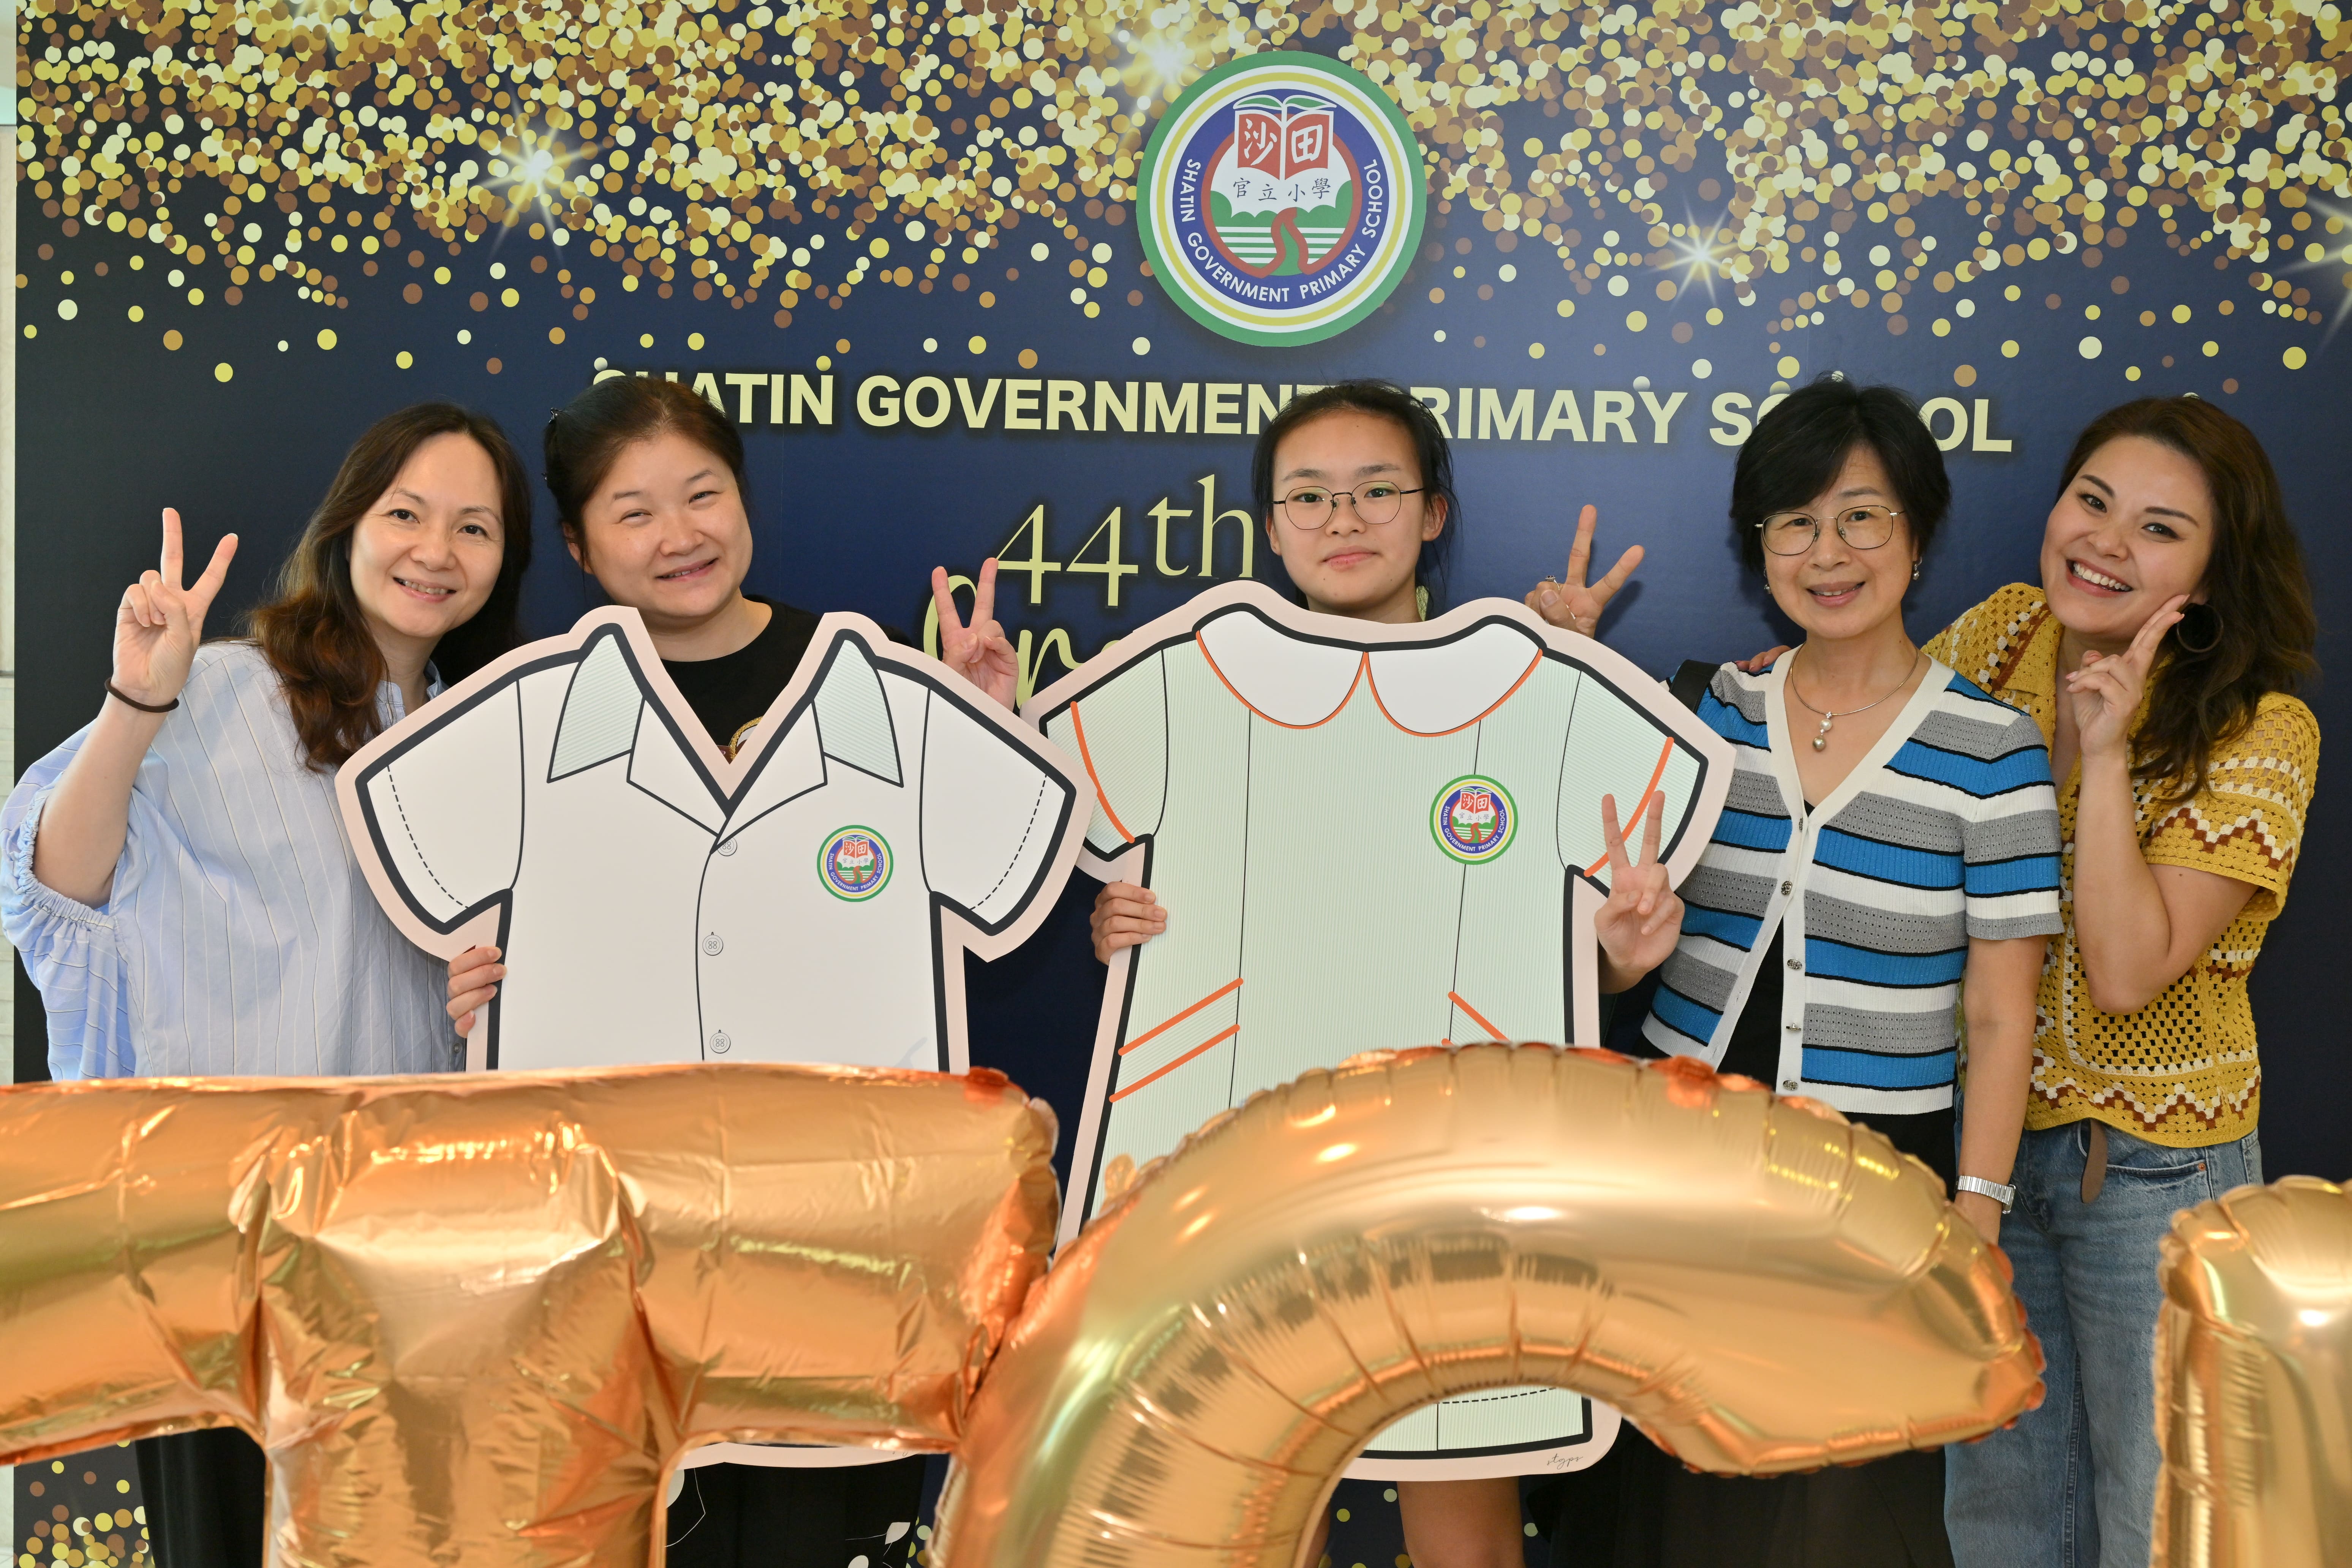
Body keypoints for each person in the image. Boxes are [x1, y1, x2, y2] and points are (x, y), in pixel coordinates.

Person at [1084, 379, 1685, 1568]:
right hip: (1250, 1165)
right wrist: (1130, 930)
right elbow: (1127, 870)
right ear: (1270, 526)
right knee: (1261, 1511)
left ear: (1433, 513)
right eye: (1308, 496)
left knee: (1463, 1515)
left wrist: (1618, 953)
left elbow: (1575, 968)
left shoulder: (1531, 692)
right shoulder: (1198, 691)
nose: (1343, 519)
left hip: (1450, 1170)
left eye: (1376, 490)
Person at [442, 373, 1017, 1568]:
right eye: (634, 511)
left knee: (826, 1522)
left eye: (702, 495)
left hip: (838, 1251)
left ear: (745, 501)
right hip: (617, 1254)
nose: (679, 533)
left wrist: (985, 725)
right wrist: (465, 989)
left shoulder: (872, 686)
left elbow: (1007, 876)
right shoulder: (530, 717)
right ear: (579, 548)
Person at [1534, 378, 2063, 1568]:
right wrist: (1560, 672)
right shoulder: (1706, 713)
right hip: (1679, 1157)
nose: (1829, 554)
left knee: (1840, 1505)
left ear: (1918, 536)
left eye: (1862, 517)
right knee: (1659, 1502)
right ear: (1759, 547)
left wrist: (1977, 1212)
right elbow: (1595, 952)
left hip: (1874, 1180)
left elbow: (2001, 1012)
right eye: (1796, 523)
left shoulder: (1994, 750)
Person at [0, 402, 535, 1568]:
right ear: (347, 527)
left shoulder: (485, 739)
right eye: (406, 514)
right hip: (218, 1245)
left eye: (474, 528)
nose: (436, 552)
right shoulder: (222, 688)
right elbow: (57, 890)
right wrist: (138, 701)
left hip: (404, 1259)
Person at [1920, 399, 2318, 1568]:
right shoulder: (2003, 635)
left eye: (2159, 528)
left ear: (2215, 570)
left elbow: (2129, 968)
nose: (2105, 542)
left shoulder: (2262, 729)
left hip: (2153, 1171)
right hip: (1990, 1155)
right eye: (2091, 501)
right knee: (2001, 1511)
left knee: (2159, 1519)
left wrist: (2103, 753)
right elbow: (1868, 738)